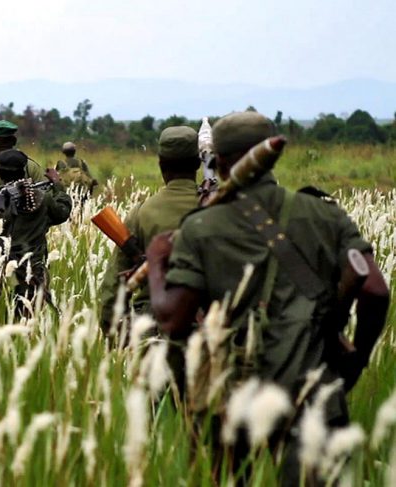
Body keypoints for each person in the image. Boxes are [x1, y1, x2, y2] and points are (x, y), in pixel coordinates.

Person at [146, 111, 390, 485]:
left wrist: (157, 262)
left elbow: (174, 320)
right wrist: (353, 363)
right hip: (314, 397)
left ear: (218, 163)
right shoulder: (324, 214)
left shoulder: (200, 227)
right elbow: (375, 290)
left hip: (230, 404)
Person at [98, 127, 200, 335]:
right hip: (210, 327)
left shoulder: (141, 213)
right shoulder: (220, 209)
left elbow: (113, 287)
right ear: (198, 163)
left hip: (154, 328)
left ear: (161, 164)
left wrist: (115, 331)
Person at [0, 149, 72, 318]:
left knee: (0, 319)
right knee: (29, 321)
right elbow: (62, 212)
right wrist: (57, 184)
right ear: (24, 171)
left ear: (0, 174)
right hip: (33, 275)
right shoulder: (42, 199)